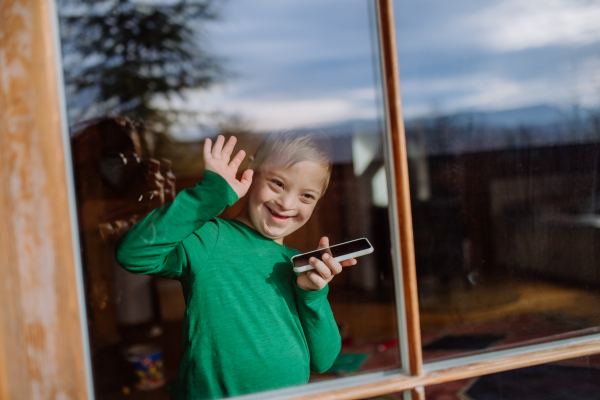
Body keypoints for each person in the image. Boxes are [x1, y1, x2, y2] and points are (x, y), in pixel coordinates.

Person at [115, 132, 356, 399]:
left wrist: (313, 294)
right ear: (251, 172)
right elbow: (133, 254)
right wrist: (210, 195)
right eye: (277, 183)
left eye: (307, 196)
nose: (287, 204)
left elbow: (324, 360)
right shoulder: (210, 238)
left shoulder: (300, 265)